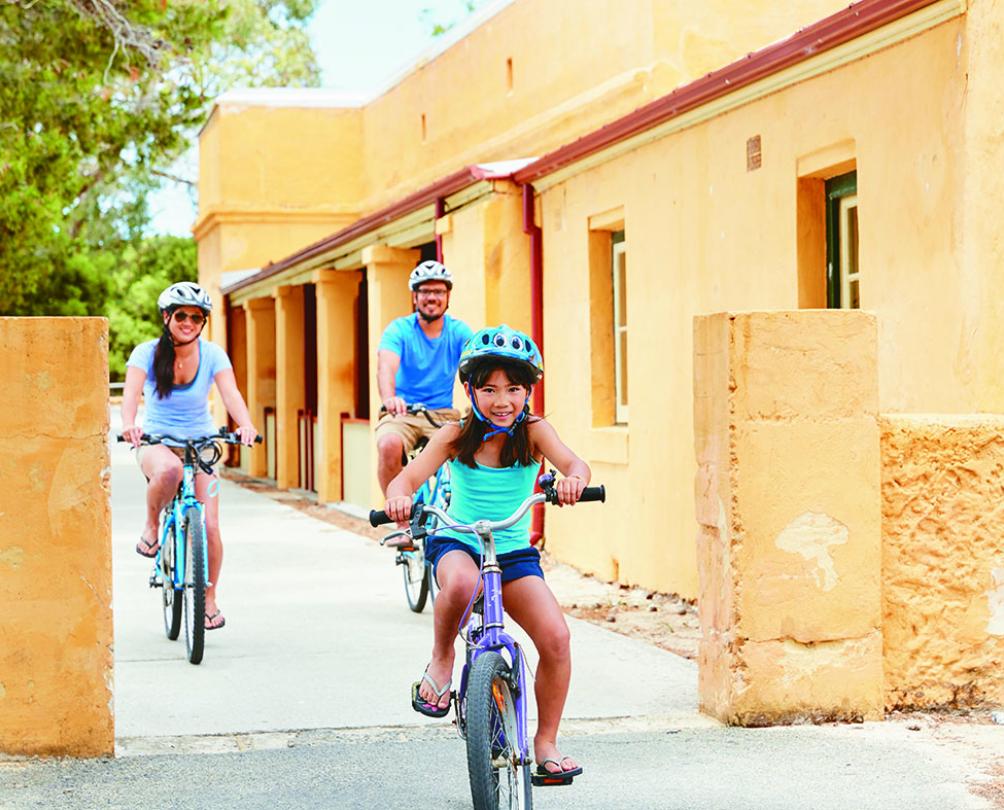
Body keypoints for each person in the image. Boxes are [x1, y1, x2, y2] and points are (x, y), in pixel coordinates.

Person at [383, 324, 590, 782]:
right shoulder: (456, 435)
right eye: (490, 389)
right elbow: (408, 478)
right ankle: (441, 659)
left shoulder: (534, 432)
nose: (502, 401)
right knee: (461, 582)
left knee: (556, 639)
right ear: (470, 391)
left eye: (514, 389)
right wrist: (398, 497)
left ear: (528, 391)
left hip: (513, 552)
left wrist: (574, 479)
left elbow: (574, 462)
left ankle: (546, 742)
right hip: (459, 540)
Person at [121, 281, 258, 631]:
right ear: (167, 317)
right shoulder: (146, 353)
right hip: (156, 441)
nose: (188, 322)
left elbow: (231, 394)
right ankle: (152, 526)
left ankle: (209, 600)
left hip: (201, 443)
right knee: (168, 471)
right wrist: (128, 425)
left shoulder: (212, 354)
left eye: (196, 318)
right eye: (181, 315)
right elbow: (132, 396)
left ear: (203, 322)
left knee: (210, 525)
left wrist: (244, 425)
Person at [375, 259, 473, 494]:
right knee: (389, 445)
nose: (432, 297)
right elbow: (386, 366)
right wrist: (390, 398)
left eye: (438, 291)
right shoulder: (399, 330)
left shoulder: (458, 331)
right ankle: (399, 518)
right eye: (425, 291)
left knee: (469, 451)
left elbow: (479, 363)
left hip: (442, 414)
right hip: (403, 413)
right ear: (415, 296)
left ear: (448, 296)